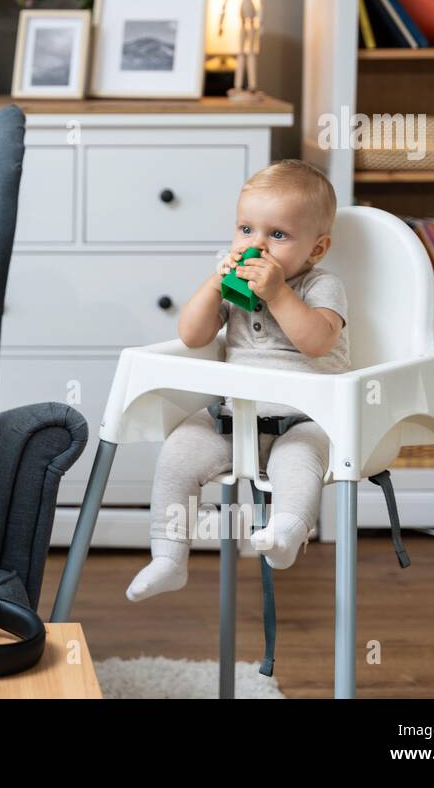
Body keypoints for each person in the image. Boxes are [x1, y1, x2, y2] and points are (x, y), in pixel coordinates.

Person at [127, 159, 349, 601]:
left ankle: (284, 534)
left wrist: (279, 294)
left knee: (299, 464)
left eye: (278, 235)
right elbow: (192, 336)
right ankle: (168, 555)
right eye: (246, 230)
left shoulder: (320, 286)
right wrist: (214, 285)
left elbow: (318, 342)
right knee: (178, 451)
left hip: (304, 420)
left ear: (317, 248)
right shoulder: (234, 287)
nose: (258, 245)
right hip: (234, 419)